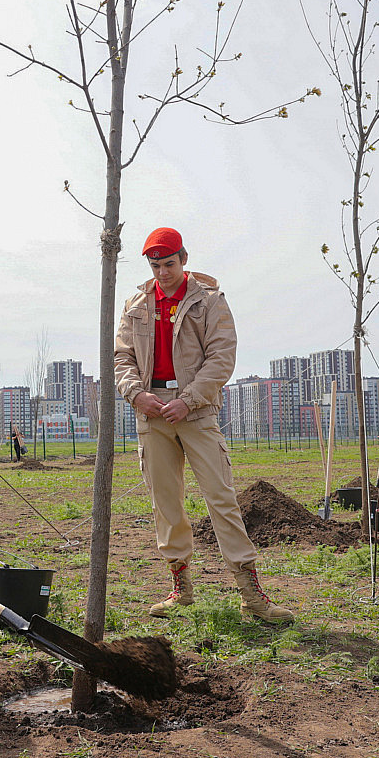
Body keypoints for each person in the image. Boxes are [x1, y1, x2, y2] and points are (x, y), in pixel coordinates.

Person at [115, 227, 294, 623]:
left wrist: (189, 399)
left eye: (169, 264)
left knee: (221, 499)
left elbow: (221, 357)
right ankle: (180, 589)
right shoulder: (135, 304)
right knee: (166, 504)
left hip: (196, 411)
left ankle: (251, 595)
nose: (162, 273)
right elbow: (122, 357)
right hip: (151, 412)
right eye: (155, 266)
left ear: (184, 259)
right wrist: (136, 394)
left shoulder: (210, 301)